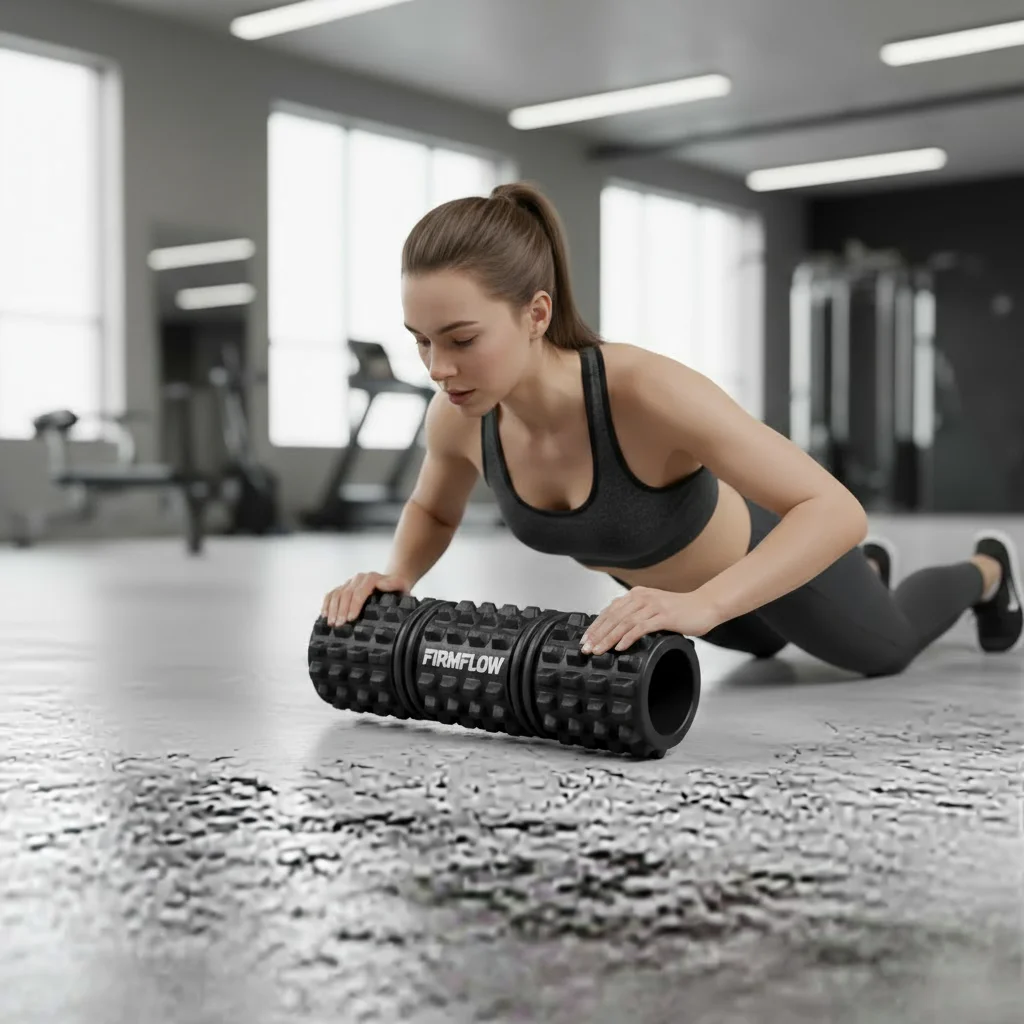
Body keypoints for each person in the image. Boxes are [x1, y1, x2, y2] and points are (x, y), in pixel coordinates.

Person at [321, 181, 1022, 676]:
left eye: (462, 338)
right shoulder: (459, 418)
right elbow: (433, 508)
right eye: (421, 341)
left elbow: (836, 510)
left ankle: (987, 570)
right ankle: (863, 575)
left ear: (536, 314)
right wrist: (397, 575)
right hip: (695, 608)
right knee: (766, 651)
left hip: (749, 568)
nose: (438, 368)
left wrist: (706, 603)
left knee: (885, 649)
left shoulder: (642, 391)